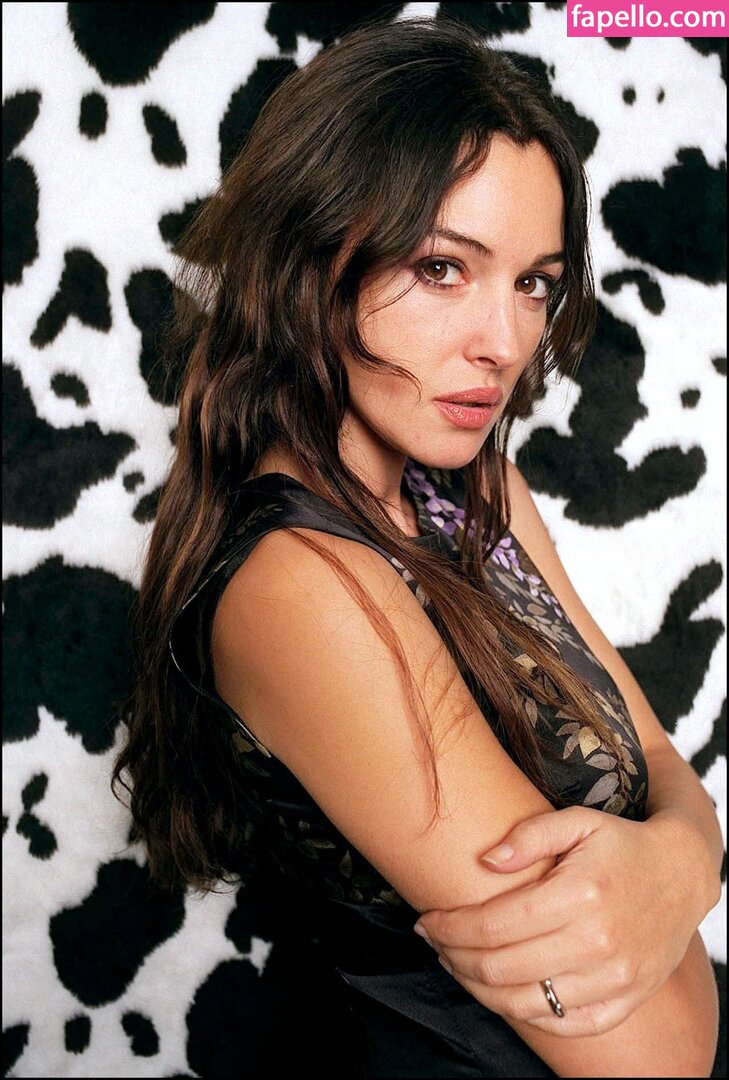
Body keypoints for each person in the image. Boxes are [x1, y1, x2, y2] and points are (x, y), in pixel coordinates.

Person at [113, 16, 722, 1078]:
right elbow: (653, 1057)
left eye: (534, 281)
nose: (505, 342)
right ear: (312, 261)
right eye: (443, 268)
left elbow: (664, 760)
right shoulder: (302, 588)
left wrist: (680, 861)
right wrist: (686, 862)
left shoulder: (474, 493)